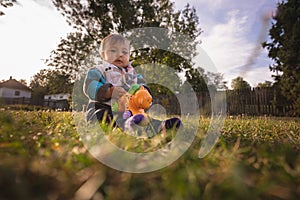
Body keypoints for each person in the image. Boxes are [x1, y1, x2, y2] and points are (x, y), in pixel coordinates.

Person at [83, 33, 181, 136]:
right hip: (103, 107)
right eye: (113, 50)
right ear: (103, 55)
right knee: (101, 115)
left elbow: (143, 87)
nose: (120, 54)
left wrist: (143, 94)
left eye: (124, 52)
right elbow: (90, 86)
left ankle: (161, 126)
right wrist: (109, 91)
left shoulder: (133, 74)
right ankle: (108, 126)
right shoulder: (98, 70)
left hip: (129, 111)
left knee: (142, 118)